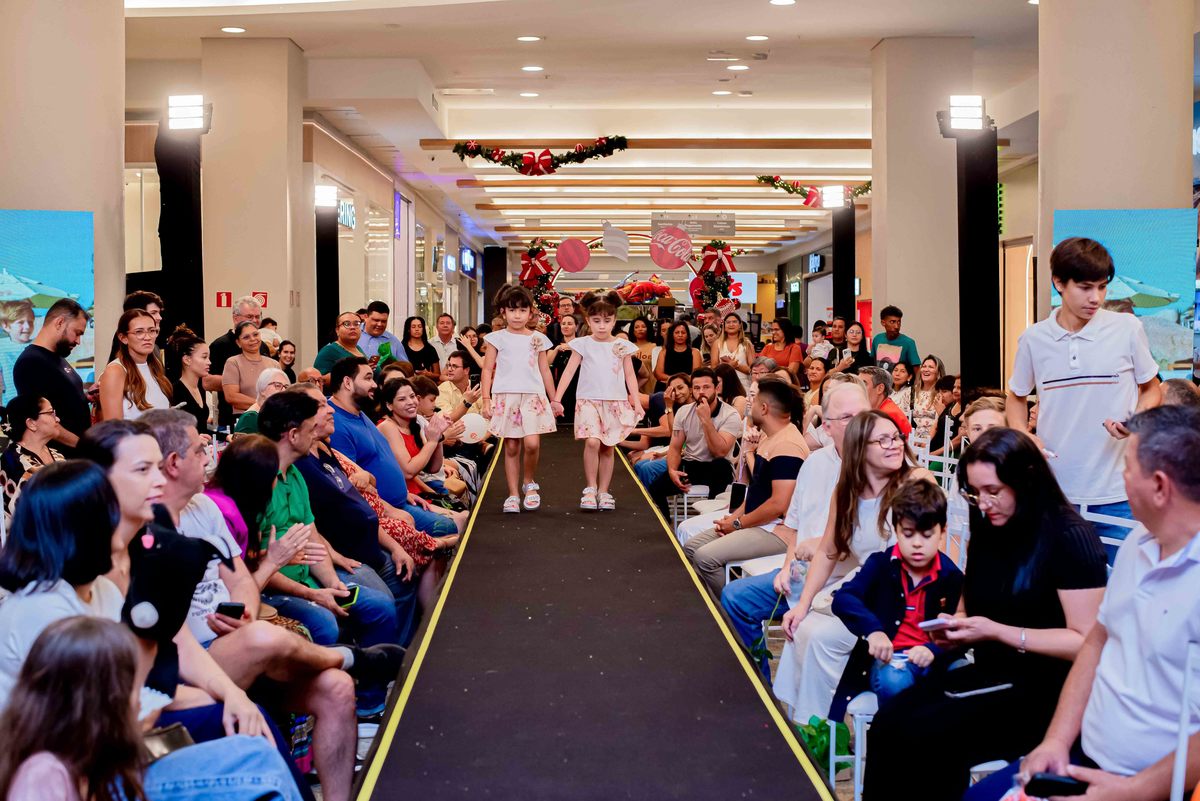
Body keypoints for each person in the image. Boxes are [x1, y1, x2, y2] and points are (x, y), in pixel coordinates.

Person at [142, 408, 398, 801]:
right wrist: (269, 589)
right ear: (175, 463)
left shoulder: (205, 509)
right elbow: (168, 637)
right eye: (199, 449)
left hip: (233, 642)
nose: (209, 456)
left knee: (336, 688)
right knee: (265, 637)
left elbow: (241, 580)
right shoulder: (143, 532)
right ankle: (349, 657)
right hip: (190, 667)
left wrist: (243, 613)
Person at [965, 404, 1200, 800]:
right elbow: (1096, 642)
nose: (1121, 477)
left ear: (1160, 486)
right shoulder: (1137, 544)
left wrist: (1133, 790)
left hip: (1152, 785)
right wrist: (1056, 741)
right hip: (1083, 755)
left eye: (1127, 467)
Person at [861, 427, 1108, 801]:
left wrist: (996, 631)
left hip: (1046, 692)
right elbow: (971, 603)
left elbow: (1086, 643)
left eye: (994, 491)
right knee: (888, 723)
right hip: (993, 673)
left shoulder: (1069, 536)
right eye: (975, 493)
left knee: (924, 736)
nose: (984, 503)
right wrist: (955, 626)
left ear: (1025, 480)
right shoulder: (990, 524)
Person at [0, 616, 304, 801]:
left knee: (256, 751)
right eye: (134, 688)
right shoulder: (42, 775)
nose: (140, 700)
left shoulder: (82, 751)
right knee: (262, 767)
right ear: (100, 701)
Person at [1006, 236, 1161, 552]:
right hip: (1056, 494)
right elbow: (1016, 397)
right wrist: (1024, 435)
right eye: (1086, 287)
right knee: (1060, 583)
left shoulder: (1127, 328)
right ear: (1059, 283)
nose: (1096, 298)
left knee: (1122, 580)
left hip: (1119, 494)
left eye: (1102, 287)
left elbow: (1151, 388)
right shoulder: (1034, 339)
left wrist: (1135, 419)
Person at [773, 410, 930, 722]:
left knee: (820, 638)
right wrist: (802, 605)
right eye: (882, 440)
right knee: (802, 627)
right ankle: (813, 725)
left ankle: (827, 721)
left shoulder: (916, 483)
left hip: (906, 597)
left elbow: (925, 556)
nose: (894, 445)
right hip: (865, 589)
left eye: (896, 437)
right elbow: (828, 551)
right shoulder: (847, 491)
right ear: (860, 448)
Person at [720, 380, 870, 681]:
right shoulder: (815, 464)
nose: (860, 424)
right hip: (802, 572)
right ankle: (760, 683)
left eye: (864, 415)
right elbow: (796, 528)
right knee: (735, 597)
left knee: (814, 632)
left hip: (847, 581)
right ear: (827, 427)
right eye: (847, 417)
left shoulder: (878, 466)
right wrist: (787, 567)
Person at [255, 392, 401, 652]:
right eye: (311, 429)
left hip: (308, 580)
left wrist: (333, 583)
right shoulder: (259, 482)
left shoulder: (295, 474)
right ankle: (336, 673)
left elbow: (312, 537)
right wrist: (312, 593)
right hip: (274, 589)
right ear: (293, 435)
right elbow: (254, 566)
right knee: (325, 622)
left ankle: (369, 675)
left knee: (380, 607)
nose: (316, 435)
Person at [830, 479, 963, 710]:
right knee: (896, 680)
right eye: (908, 534)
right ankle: (908, 730)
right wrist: (874, 630)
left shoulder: (950, 575)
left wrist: (933, 650)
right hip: (892, 661)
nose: (917, 544)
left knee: (965, 675)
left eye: (927, 535)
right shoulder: (881, 565)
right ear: (896, 531)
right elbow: (844, 598)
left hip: (937, 660)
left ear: (942, 532)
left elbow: (961, 629)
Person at [682, 379, 807, 595]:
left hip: (778, 530)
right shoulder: (769, 436)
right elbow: (758, 490)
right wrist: (732, 519)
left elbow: (778, 504)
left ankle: (730, 607)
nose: (750, 404)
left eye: (754, 400)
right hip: (760, 521)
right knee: (692, 547)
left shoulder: (788, 444)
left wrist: (738, 523)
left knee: (704, 558)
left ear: (764, 408)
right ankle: (718, 600)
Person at [326, 357, 463, 537]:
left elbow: (382, 461)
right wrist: (390, 510)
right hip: (385, 510)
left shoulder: (358, 413)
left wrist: (403, 492)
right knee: (451, 527)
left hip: (402, 500)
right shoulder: (336, 423)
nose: (374, 385)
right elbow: (351, 485)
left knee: (462, 519)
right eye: (368, 378)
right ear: (347, 382)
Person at [551, 291, 643, 512]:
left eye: (607, 320)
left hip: (614, 401)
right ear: (588, 320)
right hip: (588, 400)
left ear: (614, 320)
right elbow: (569, 371)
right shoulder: (582, 344)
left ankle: (604, 490)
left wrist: (637, 401)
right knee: (592, 442)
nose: (602, 326)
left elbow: (630, 375)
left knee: (608, 447)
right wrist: (557, 398)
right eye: (596, 320)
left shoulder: (622, 346)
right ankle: (590, 488)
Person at [480, 285, 556, 514]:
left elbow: (545, 370)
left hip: (532, 395)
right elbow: (487, 369)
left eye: (522, 310)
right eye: (512, 310)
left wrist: (555, 399)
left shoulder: (538, 339)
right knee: (511, 446)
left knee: (532, 443)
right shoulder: (496, 338)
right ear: (503, 312)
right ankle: (513, 494)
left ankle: (529, 481)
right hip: (506, 396)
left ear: (530, 312)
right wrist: (486, 399)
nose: (517, 315)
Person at [646, 367, 743, 517]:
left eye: (706, 387)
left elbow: (719, 452)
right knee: (655, 488)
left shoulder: (730, 414)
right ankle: (666, 523)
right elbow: (675, 447)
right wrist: (672, 470)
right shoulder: (684, 412)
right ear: (692, 390)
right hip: (692, 464)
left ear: (716, 388)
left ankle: (709, 518)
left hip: (718, 468)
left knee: (721, 465)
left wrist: (706, 420)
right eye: (697, 388)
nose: (701, 392)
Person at [0, 394, 65, 526]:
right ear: (31, 423)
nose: (57, 419)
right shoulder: (19, 464)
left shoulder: (56, 454)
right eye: (50, 413)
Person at [98, 309, 172, 421]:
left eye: (152, 331)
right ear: (123, 338)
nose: (147, 337)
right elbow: (113, 426)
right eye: (139, 332)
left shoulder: (155, 366)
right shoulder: (115, 371)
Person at [207, 296, 270, 424]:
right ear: (235, 318)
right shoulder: (220, 345)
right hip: (233, 418)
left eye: (258, 316)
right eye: (250, 316)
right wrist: (238, 379)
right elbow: (207, 382)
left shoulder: (263, 347)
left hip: (264, 417)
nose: (254, 320)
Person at [220, 321, 281, 427]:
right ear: (238, 343)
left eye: (255, 334)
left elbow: (282, 393)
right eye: (246, 337)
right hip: (246, 420)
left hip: (273, 419)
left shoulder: (274, 364)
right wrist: (263, 404)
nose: (253, 339)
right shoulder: (233, 362)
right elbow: (231, 396)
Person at [166, 325, 210, 433]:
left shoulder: (200, 388)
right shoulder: (175, 391)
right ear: (187, 360)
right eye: (204, 357)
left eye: (209, 358)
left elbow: (202, 429)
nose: (209, 362)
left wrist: (226, 436)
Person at [230, 368, 289, 435]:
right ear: (262, 389)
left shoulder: (275, 415)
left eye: (286, 387)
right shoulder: (251, 418)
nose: (284, 390)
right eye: (278, 385)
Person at [859, 365, 912, 438]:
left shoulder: (888, 415)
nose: (857, 388)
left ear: (880, 389)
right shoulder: (878, 409)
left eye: (863, 384)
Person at [313, 311, 366, 383]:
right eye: (347, 324)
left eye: (356, 324)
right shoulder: (329, 350)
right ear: (337, 330)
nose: (353, 327)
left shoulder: (358, 348)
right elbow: (319, 380)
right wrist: (353, 372)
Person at [0, 299, 35, 405]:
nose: (27, 327)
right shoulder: (1, 347)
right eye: (20, 322)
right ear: (6, 326)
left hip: (36, 402)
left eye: (30, 322)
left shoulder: (38, 345)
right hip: (11, 402)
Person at [548, 315, 581, 425]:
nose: (566, 326)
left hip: (578, 385)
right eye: (563, 324)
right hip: (560, 387)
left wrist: (573, 348)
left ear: (576, 327)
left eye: (570, 324)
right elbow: (547, 362)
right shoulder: (555, 344)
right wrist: (557, 349)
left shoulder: (582, 344)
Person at [711, 312, 754, 392]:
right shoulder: (717, 343)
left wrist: (736, 365)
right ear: (724, 326)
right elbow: (713, 368)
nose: (731, 324)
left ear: (740, 325)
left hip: (743, 386)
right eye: (728, 322)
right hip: (723, 385)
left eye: (734, 322)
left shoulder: (747, 344)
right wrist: (727, 366)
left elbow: (752, 370)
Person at [654, 321, 701, 392]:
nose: (680, 335)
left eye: (683, 332)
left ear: (687, 335)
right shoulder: (664, 352)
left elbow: (695, 374)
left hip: (687, 388)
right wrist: (676, 380)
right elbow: (659, 374)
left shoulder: (695, 352)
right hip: (665, 388)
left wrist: (678, 381)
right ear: (672, 334)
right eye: (677, 332)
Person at [870, 305, 920, 371]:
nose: (896, 326)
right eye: (892, 322)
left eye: (899, 322)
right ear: (883, 323)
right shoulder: (877, 339)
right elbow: (872, 363)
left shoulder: (909, 343)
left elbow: (916, 369)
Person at [359, 301, 404, 366]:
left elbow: (405, 367)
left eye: (383, 321)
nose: (379, 324)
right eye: (376, 320)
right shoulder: (354, 335)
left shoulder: (393, 341)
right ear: (366, 317)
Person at [929, 374, 962, 456]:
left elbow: (958, 439)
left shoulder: (966, 409)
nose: (940, 395)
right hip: (934, 448)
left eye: (944, 391)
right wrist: (925, 444)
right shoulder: (950, 405)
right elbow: (935, 427)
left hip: (949, 453)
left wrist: (932, 454)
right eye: (954, 387)